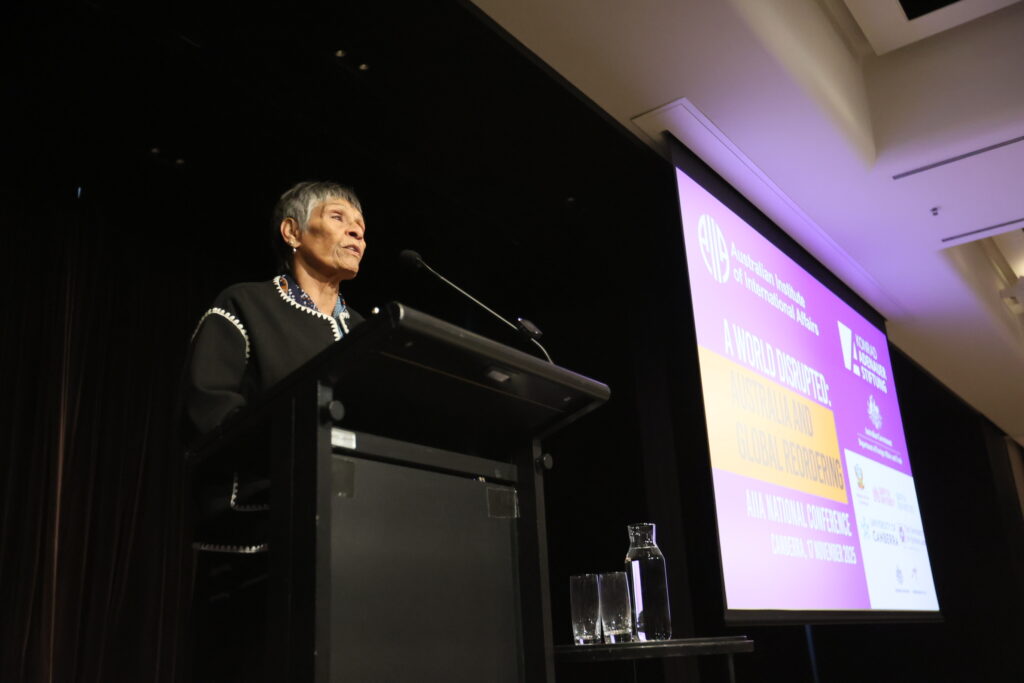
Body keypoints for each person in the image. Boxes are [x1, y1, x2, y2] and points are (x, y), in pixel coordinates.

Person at [184, 180, 367, 439]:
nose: (356, 232)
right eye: (337, 217)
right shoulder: (244, 304)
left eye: (361, 227)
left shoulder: (363, 330)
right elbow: (209, 410)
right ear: (292, 232)